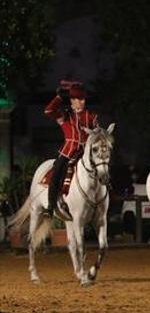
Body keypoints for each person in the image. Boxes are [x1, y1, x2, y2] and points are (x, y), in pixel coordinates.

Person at [44, 80, 98, 220]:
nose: (78, 102)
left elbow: (97, 135)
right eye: (74, 99)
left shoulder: (91, 116)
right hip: (68, 150)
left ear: (84, 100)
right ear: (71, 101)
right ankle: (51, 206)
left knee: (102, 169)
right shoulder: (65, 115)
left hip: (86, 152)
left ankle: (104, 201)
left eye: (81, 99)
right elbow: (48, 111)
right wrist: (59, 97)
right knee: (56, 172)